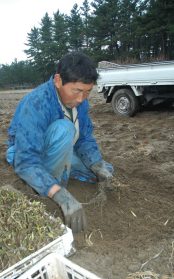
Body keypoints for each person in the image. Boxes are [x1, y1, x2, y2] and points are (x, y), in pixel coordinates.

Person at [6, 51, 113, 234]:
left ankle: (60, 171)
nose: (81, 99)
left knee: (105, 170)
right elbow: (26, 161)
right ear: (58, 81)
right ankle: (51, 184)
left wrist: (97, 164)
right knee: (65, 129)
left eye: (87, 92)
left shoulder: (81, 102)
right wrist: (61, 195)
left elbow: (85, 138)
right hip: (30, 155)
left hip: (61, 147)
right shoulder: (36, 103)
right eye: (77, 91)